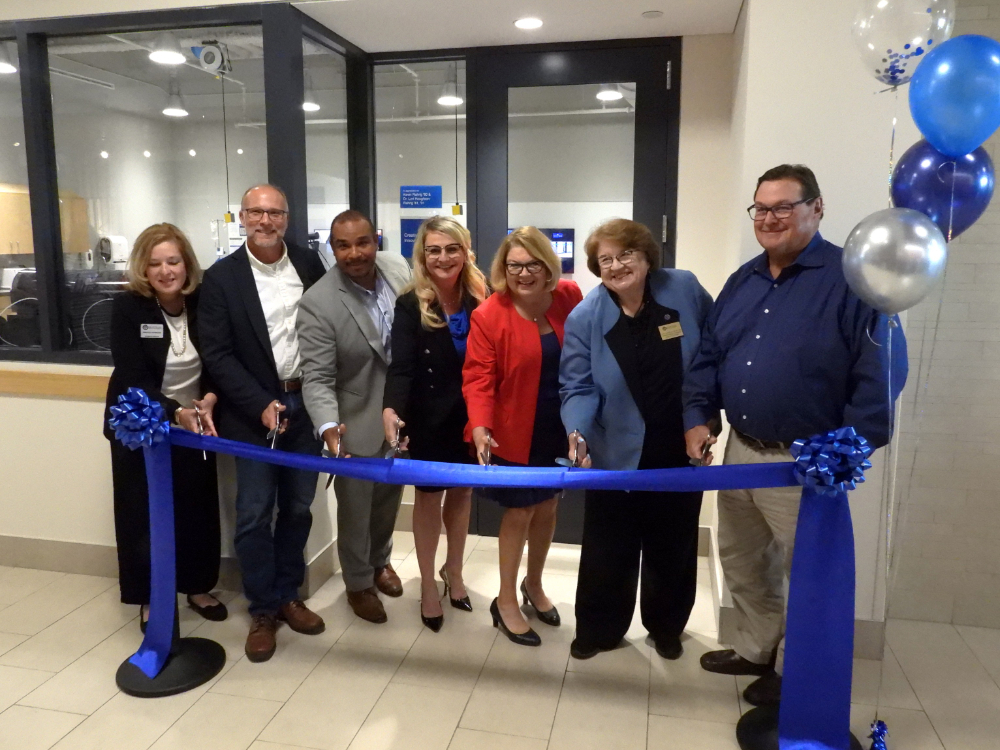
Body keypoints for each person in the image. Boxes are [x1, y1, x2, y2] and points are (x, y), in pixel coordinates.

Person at [683, 164, 907, 706]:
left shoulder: (854, 278)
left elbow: (880, 375)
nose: (769, 218)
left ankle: (793, 669)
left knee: (807, 573)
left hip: (807, 460)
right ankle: (757, 648)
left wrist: (850, 449)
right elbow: (709, 358)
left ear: (817, 208)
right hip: (742, 449)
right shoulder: (743, 281)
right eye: (761, 208)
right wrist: (698, 417)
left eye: (784, 206)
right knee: (740, 557)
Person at [559, 218, 713, 662]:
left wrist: (703, 419)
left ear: (647, 257)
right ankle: (599, 628)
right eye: (605, 259)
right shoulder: (586, 317)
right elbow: (577, 386)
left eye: (625, 254)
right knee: (609, 544)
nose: (616, 265)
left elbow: (710, 355)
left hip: (678, 443)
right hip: (615, 449)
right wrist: (578, 433)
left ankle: (666, 627)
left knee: (674, 542)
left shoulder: (682, 289)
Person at [198, 184, 327, 663]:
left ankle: (289, 594)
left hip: (304, 407)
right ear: (242, 217)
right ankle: (262, 608)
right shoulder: (220, 279)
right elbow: (218, 353)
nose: (266, 221)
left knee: (298, 508)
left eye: (275, 213)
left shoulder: (310, 266)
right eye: (257, 212)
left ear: (287, 219)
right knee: (253, 514)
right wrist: (259, 404)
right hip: (251, 417)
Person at [463, 226, 583, 647]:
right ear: (503, 268)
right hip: (514, 429)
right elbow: (477, 376)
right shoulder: (490, 313)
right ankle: (506, 600)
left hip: (558, 424)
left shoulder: (569, 297)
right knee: (520, 512)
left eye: (533, 264)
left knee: (548, 506)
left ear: (548, 266)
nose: (524, 273)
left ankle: (534, 585)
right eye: (515, 265)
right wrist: (480, 425)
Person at [104, 223, 226, 632]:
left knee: (197, 508)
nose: (165, 270)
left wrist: (209, 397)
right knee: (142, 514)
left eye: (173, 261)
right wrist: (173, 411)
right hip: (141, 424)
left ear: (186, 264)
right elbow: (133, 374)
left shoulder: (203, 301)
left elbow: (218, 359)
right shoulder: (128, 309)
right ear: (143, 268)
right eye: (154, 263)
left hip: (195, 423)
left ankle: (196, 586)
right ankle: (148, 596)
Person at [297, 210, 412, 625]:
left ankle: (381, 561)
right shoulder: (319, 302)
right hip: (354, 420)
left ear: (375, 241)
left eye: (362, 242)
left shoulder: (398, 269)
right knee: (356, 509)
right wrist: (329, 429)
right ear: (332, 248)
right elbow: (317, 378)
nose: (354, 253)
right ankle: (359, 583)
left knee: (387, 501)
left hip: (399, 416)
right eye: (343, 245)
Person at [382, 216, 488, 632]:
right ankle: (428, 584)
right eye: (434, 250)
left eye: (451, 248)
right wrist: (391, 409)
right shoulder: (412, 303)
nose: (443, 258)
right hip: (427, 417)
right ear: (422, 255)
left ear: (465, 251)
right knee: (428, 499)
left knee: (462, 494)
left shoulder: (483, 296)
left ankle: (454, 572)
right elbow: (402, 367)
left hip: (472, 418)